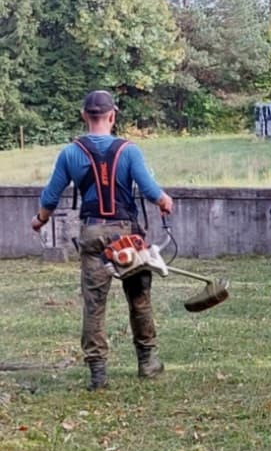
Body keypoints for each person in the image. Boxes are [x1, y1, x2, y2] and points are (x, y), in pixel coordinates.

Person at [30, 90, 175, 391]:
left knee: (94, 304)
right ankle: (147, 362)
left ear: (84, 116)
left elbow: (51, 196)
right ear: (113, 116)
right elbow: (149, 189)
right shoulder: (130, 151)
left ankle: (98, 374)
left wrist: (40, 220)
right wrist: (164, 201)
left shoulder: (71, 153)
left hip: (93, 233)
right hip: (127, 237)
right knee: (139, 298)